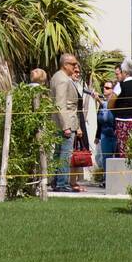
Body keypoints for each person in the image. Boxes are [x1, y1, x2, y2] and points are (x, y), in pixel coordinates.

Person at [49, 54, 85, 192]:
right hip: (65, 122)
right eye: (73, 64)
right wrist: (66, 127)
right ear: (65, 64)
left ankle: (56, 181)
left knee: (58, 153)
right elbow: (60, 104)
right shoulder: (63, 79)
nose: (75, 66)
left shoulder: (57, 77)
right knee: (64, 154)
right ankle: (62, 183)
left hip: (62, 122)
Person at [93, 80, 118, 186]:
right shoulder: (101, 104)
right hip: (104, 134)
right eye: (104, 87)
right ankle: (106, 179)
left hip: (114, 133)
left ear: (113, 90)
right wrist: (97, 136)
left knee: (117, 157)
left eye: (108, 88)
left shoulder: (115, 102)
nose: (105, 89)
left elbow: (109, 110)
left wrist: (98, 100)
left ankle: (116, 179)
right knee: (105, 158)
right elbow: (99, 122)